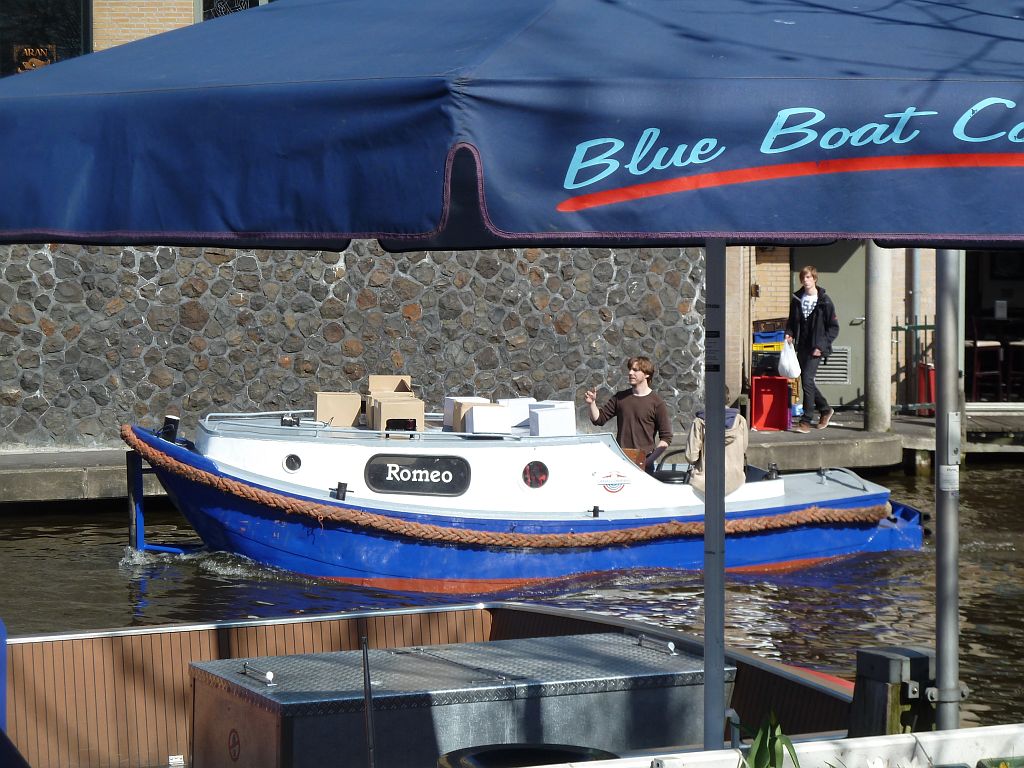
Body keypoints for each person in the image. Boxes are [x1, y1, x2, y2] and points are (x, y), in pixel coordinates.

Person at [585, 355, 673, 468]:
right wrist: (592, 403)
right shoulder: (620, 397)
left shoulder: (657, 403)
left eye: (635, 370)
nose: (630, 373)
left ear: (647, 374)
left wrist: (649, 461)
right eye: (630, 369)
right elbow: (599, 419)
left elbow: (666, 438)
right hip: (621, 459)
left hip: (644, 461)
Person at [784, 265, 840, 433]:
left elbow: (833, 327)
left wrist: (821, 346)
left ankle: (806, 420)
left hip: (816, 347)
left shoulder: (825, 301)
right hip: (802, 345)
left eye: (809, 277)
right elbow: (792, 322)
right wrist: (789, 333)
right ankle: (825, 409)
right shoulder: (797, 299)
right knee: (806, 381)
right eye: (803, 277)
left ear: (814, 279)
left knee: (807, 380)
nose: (806, 280)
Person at [683, 405, 748, 495]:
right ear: (729, 399)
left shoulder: (699, 422)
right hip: (736, 481)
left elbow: (691, 457)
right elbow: (743, 449)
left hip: (705, 484)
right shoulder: (740, 420)